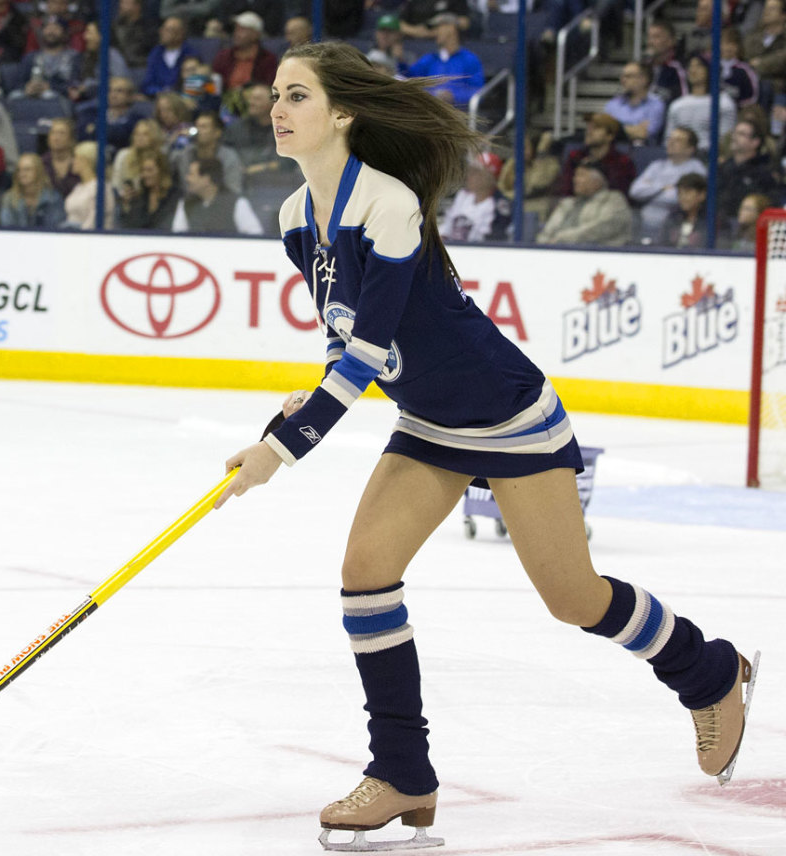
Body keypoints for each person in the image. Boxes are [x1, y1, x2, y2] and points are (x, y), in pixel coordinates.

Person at [215, 41, 756, 851]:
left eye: (296, 96)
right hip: (429, 420)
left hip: (506, 413)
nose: (277, 111)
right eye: (275, 97)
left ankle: (708, 671)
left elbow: (369, 353)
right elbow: (348, 336)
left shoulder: (388, 203)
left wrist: (281, 449)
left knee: (574, 599)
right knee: (366, 573)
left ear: (343, 114)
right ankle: (402, 771)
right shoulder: (298, 219)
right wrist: (311, 392)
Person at [628, 126, 707, 239]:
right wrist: (663, 187)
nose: (671, 142)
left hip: (673, 222)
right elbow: (635, 191)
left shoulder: (696, 169)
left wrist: (650, 187)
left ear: (690, 148)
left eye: (678, 140)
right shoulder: (656, 166)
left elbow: (681, 199)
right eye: (670, 139)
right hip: (644, 221)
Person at [539, 161, 634, 245]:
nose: (575, 180)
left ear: (598, 180)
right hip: (558, 252)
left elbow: (601, 229)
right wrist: (543, 244)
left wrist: (563, 238)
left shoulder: (613, 200)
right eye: (575, 175)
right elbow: (547, 232)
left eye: (581, 175)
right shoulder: (567, 203)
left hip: (600, 256)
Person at [402, 14, 484, 107]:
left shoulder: (469, 59)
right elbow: (409, 77)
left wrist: (454, 96)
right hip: (430, 111)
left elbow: (478, 91)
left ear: (451, 28)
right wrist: (400, 61)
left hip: (458, 113)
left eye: (438, 27)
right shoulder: (430, 58)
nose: (434, 32)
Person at [664, 54, 738, 153]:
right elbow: (668, 139)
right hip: (680, 156)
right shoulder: (677, 105)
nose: (693, 70)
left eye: (698, 66)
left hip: (709, 156)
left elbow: (726, 141)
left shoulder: (724, 103)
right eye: (690, 66)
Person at [170, 155, 263, 234]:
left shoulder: (237, 203)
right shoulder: (186, 204)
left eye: (191, 174)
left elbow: (255, 235)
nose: (187, 178)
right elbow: (177, 236)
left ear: (206, 179)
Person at [717, 115, 781, 227]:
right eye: (735, 133)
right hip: (719, 227)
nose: (734, 137)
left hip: (750, 228)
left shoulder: (764, 172)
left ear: (755, 142)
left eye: (741, 134)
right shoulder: (722, 168)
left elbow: (769, 203)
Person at [553, 113, 636, 196]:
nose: (589, 132)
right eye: (588, 127)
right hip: (576, 204)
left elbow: (620, 193)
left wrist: (597, 171)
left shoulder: (622, 162)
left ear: (610, 136)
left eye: (596, 128)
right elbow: (565, 189)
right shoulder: (576, 157)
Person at [438, 151, 511, 241]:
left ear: (489, 177)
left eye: (476, 172)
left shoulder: (498, 206)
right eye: (470, 170)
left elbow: (493, 242)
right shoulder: (462, 196)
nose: (469, 175)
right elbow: (446, 228)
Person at [170, 110, 244, 193]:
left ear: (217, 132)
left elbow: (234, 189)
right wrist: (172, 140)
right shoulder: (185, 154)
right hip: (189, 203)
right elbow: (163, 166)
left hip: (222, 202)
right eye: (197, 126)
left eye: (204, 127)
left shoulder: (229, 157)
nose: (198, 131)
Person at [498, 129, 560, 224]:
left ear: (535, 147)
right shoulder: (514, 162)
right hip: (514, 205)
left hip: (536, 209)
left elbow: (535, 186)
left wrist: (541, 155)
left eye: (524, 148)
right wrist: (513, 197)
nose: (520, 151)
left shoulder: (550, 164)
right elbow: (502, 187)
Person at [211, 11, 278, 92]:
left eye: (242, 30)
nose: (236, 33)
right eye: (236, 29)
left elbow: (269, 86)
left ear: (255, 34)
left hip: (254, 99)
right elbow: (215, 81)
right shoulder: (223, 56)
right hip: (225, 99)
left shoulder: (268, 59)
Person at [603, 62, 666, 145]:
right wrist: (634, 129)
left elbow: (644, 134)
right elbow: (605, 132)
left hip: (645, 153)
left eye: (628, 76)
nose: (623, 80)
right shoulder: (612, 105)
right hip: (615, 152)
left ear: (644, 79)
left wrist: (618, 130)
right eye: (622, 76)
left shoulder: (656, 105)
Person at [0, 151, 67, 228]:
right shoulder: (9, 198)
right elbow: (7, 228)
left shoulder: (53, 198)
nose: (22, 174)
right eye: (19, 170)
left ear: (38, 171)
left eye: (27, 169)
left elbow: (56, 228)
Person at [117, 148, 179, 229]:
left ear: (161, 170)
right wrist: (126, 206)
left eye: (149, 170)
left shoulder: (174, 197)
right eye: (143, 170)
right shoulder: (139, 197)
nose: (145, 175)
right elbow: (130, 227)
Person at [62, 140, 114, 228]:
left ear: (85, 160)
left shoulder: (101, 188)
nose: (72, 161)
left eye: (75, 157)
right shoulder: (78, 187)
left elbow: (94, 222)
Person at [141, 16, 197, 97]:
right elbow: (148, 83)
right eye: (162, 29)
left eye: (168, 30)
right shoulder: (156, 53)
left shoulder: (191, 54)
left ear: (180, 34)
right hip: (157, 97)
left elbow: (197, 83)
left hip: (182, 99)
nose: (162, 32)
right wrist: (160, 91)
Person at [656, 172, 708, 247]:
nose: (682, 197)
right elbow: (662, 244)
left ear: (702, 195)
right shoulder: (673, 217)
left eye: (687, 192)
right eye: (680, 193)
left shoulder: (713, 221)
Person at [645, 18, 687, 105]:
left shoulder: (678, 69)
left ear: (671, 41)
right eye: (649, 37)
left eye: (656, 37)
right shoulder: (643, 66)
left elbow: (683, 102)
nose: (650, 42)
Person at [40, 116, 80, 199]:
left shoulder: (80, 162)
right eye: (53, 133)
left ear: (71, 139)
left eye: (62, 133)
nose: (56, 138)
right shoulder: (41, 163)